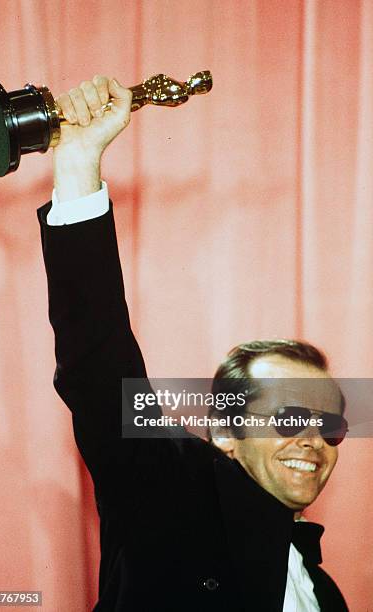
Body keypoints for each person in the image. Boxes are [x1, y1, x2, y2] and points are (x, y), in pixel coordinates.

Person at [37, 75, 349, 611]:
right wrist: (77, 164)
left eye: (330, 425)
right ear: (227, 432)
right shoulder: (169, 492)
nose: (312, 440)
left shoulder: (326, 594)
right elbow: (98, 363)